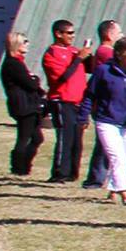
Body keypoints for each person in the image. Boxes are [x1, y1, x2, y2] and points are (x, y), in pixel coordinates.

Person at [77, 37, 126, 206]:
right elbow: (90, 95)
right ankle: (125, 195)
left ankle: (113, 190)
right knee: (116, 157)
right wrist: (83, 116)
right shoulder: (103, 71)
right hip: (107, 121)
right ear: (118, 54)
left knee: (124, 158)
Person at [42, 19, 91, 183]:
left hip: (78, 100)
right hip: (62, 100)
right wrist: (78, 59)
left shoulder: (73, 51)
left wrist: (87, 56)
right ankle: (59, 172)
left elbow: (88, 67)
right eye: (69, 33)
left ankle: (72, 172)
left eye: (73, 32)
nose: (72, 36)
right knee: (65, 135)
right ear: (58, 34)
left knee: (77, 138)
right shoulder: (51, 54)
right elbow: (63, 77)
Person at [1, 32, 45, 176]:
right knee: (24, 138)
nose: (27, 44)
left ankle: (23, 165)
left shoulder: (17, 62)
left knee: (36, 137)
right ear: (16, 44)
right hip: (24, 105)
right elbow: (30, 84)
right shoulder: (13, 64)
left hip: (28, 104)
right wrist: (35, 80)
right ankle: (18, 167)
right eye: (24, 41)